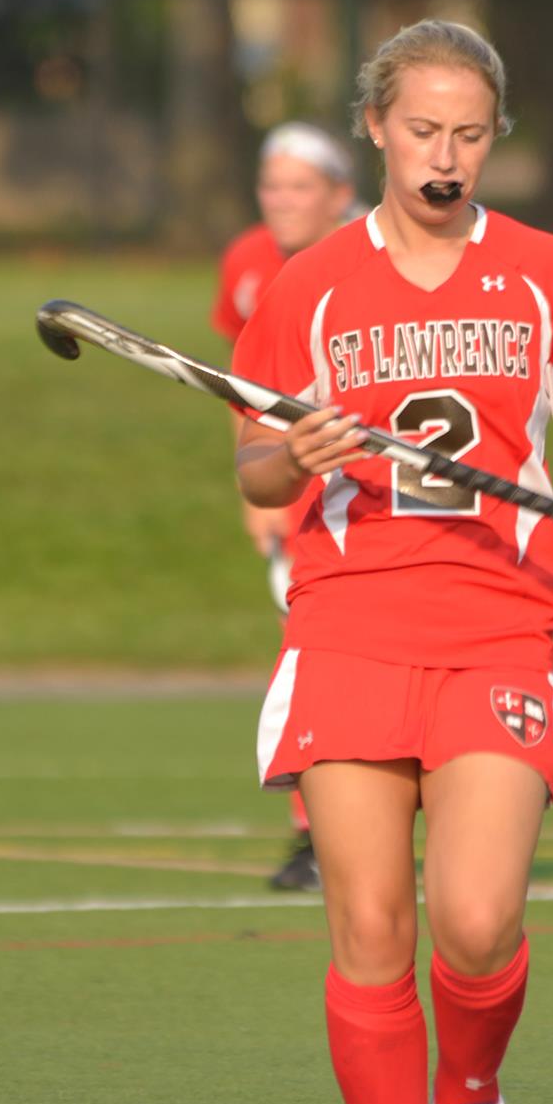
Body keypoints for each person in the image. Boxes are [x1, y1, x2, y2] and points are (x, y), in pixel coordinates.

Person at [232, 20, 553, 1104]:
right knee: (369, 924)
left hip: (494, 631)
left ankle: (468, 1102)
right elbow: (257, 468)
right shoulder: (308, 285)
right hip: (347, 630)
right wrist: (296, 452)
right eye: (423, 129)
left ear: (495, 139)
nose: (446, 156)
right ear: (375, 127)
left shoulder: (542, 270)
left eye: (469, 134)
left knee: (475, 922)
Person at [212, 123, 359, 894]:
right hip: (295, 480)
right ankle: (318, 836)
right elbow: (244, 391)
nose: (281, 202)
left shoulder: (377, 256)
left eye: (300, 187)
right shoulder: (246, 263)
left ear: (340, 195)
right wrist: (261, 484)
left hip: (372, 491)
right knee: (306, 653)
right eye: (272, 186)